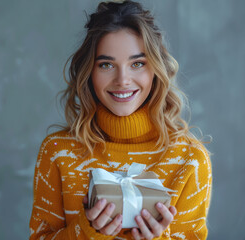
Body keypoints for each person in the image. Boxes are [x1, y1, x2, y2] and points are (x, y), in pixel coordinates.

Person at [29, 1, 212, 239]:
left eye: (137, 64)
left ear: (156, 69)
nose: (122, 80)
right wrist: (86, 232)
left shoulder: (190, 160)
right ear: (89, 72)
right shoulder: (57, 152)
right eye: (106, 64)